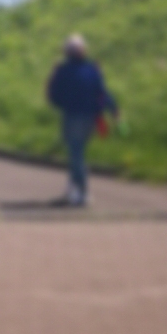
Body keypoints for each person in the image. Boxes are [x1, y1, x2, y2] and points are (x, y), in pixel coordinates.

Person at [46, 33, 117, 206]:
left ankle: (82, 192)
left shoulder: (63, 71)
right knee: (77, 153)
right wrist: (113, 108)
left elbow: (53, 96)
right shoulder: (93, 70)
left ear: (67, 52)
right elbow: (102, 92)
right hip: (91, 117)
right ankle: (73, 190)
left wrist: (54, 75)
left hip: (72, 116)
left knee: (76, 154)